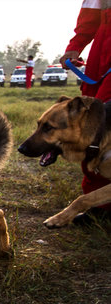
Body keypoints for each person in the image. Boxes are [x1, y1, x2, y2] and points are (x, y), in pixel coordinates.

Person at [59, 0, 111, 225]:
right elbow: (91, 12)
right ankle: (100, 203)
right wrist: (76, 45)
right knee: (91, 123)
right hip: (104, 47)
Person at [60, 0, 111, 103]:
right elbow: (90, 17)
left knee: (102, 106)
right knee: (91, 103)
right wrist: (74, 47)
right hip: (103, 47)